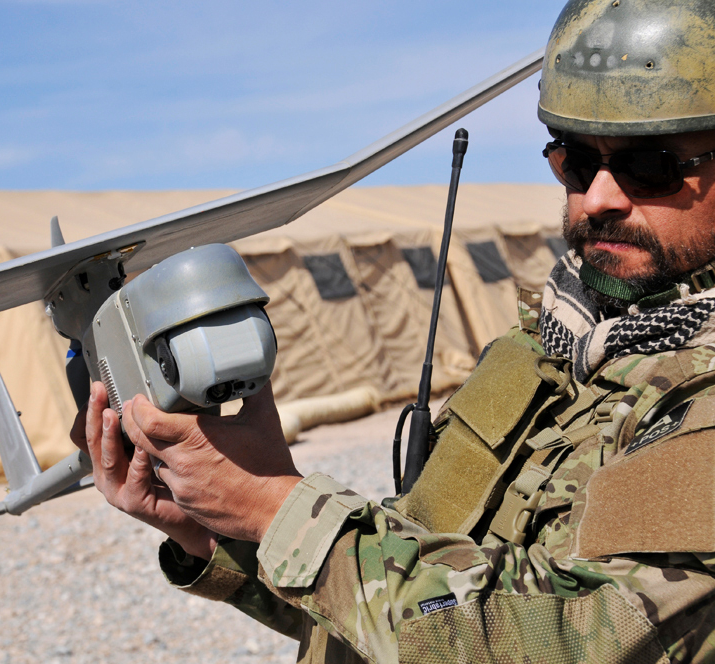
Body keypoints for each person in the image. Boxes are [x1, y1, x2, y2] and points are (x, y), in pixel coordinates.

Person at [72, 1, 715, 661]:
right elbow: (409, 608)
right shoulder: (546, 348)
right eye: (576, 161)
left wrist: (278, 509)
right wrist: (221, 528)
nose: (599, 198)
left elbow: (593, 638)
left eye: (650, 167)